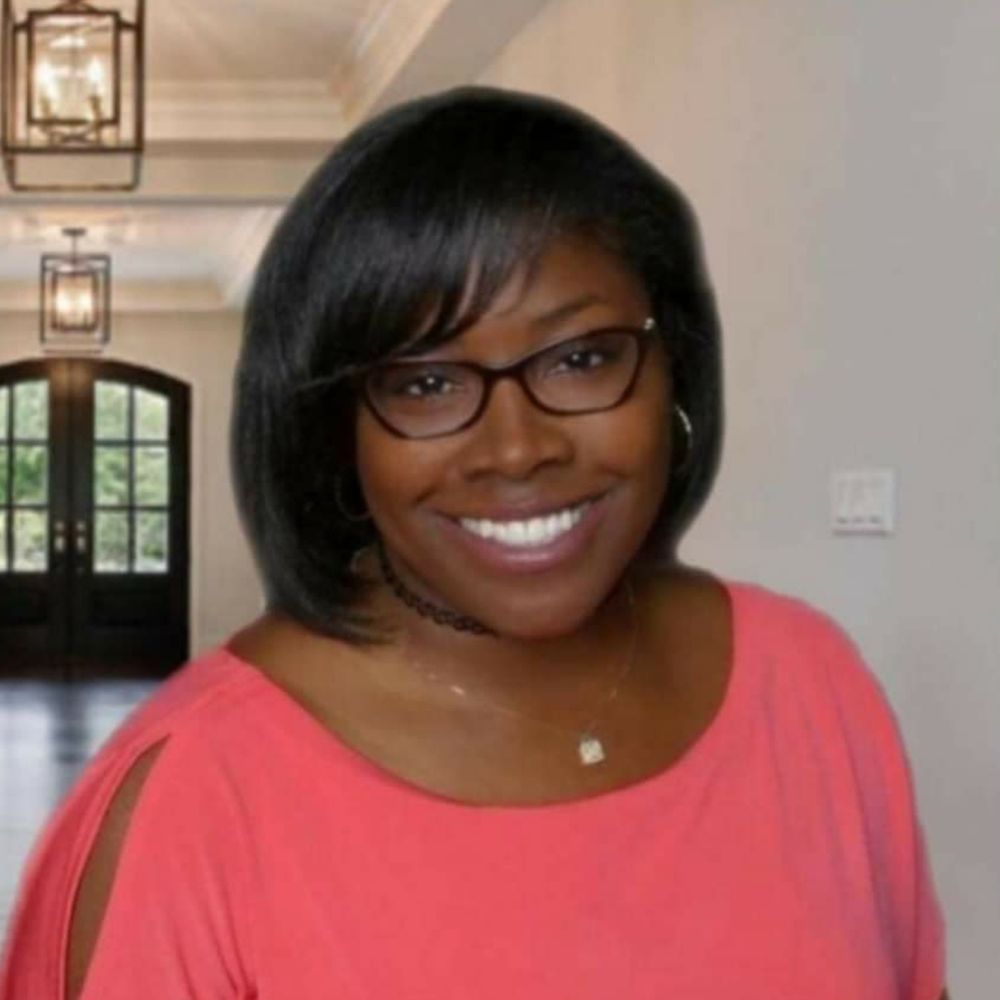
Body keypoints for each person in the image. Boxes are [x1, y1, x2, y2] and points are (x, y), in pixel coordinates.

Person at [0, 86, 946, 999]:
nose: (518, 448)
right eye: (425, 383)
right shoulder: (194, 798)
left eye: (581, 359)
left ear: (675, 371)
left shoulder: (810, 683)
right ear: (337, 431)